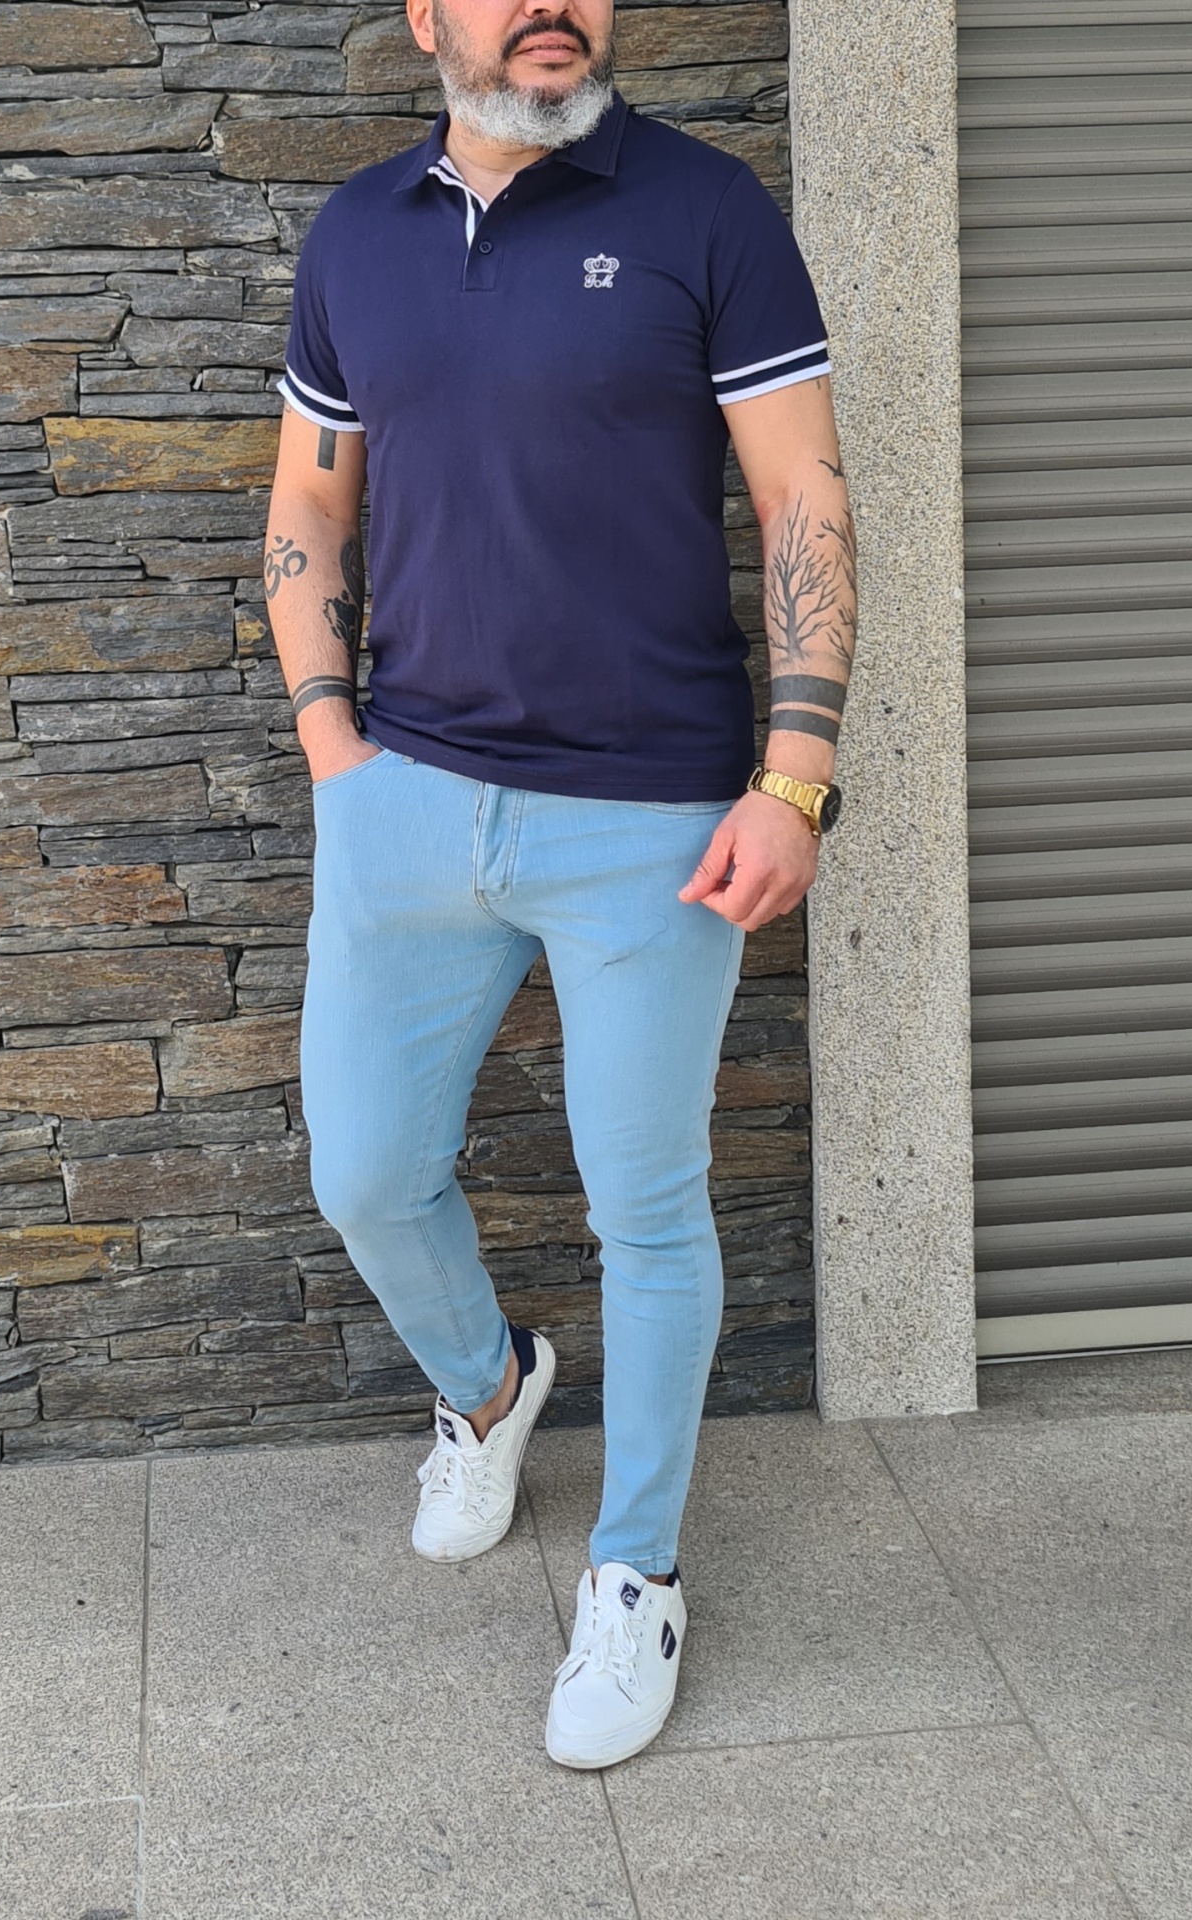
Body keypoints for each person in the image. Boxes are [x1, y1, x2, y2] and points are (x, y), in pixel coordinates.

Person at [263, 0, 854, 1771]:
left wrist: (794, 778)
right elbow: (308, 504)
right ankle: (488, 1386)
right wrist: (333, 747)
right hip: (407, 801)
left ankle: (635, 1569)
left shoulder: (705, 209)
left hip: (652, 821)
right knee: (365, 1171)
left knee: (647, 1213)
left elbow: (803, 498)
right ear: (425, 18)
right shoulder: (356, 234)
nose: (551, 5)